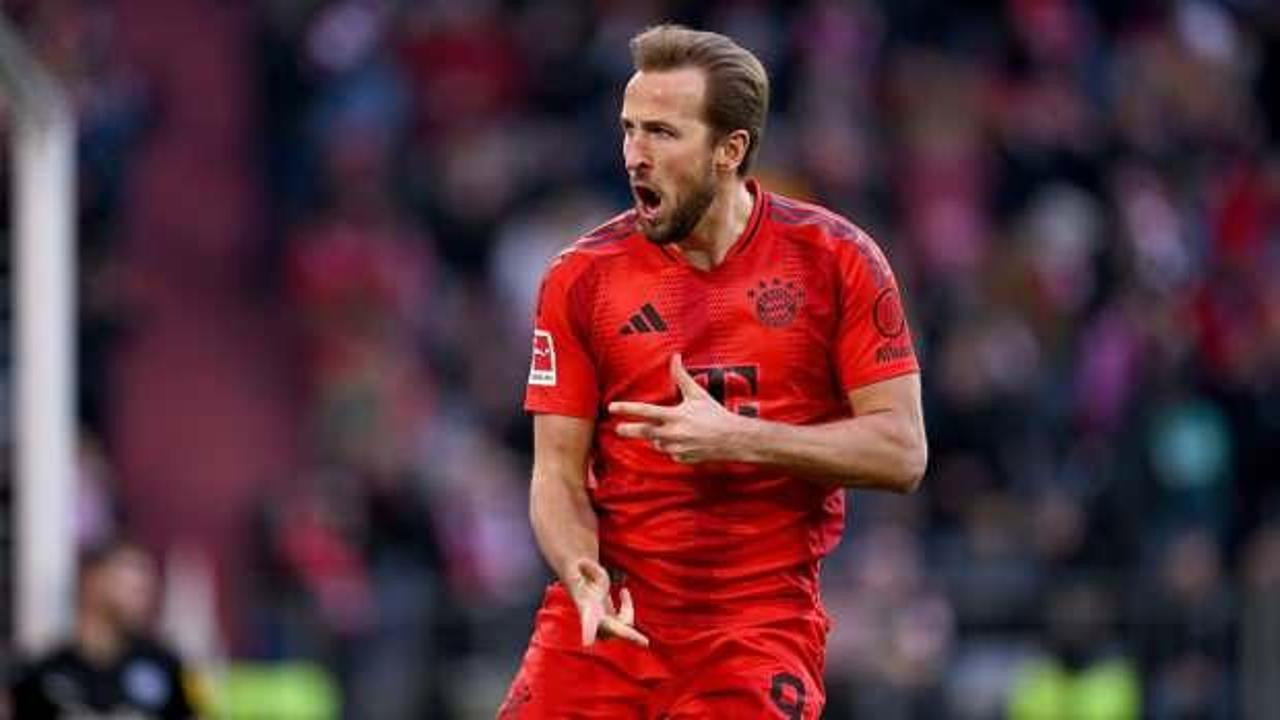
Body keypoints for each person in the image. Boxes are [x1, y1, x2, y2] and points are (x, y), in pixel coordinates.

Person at [501, 24, 927, 718]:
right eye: (629, 129)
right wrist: (579, 571)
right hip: (613, 614)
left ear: (729, 149)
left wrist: (739, 438)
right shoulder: (582, 278)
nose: (634, 155)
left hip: (758, 626)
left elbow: (903, 452)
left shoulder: (837, 261)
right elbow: (556, 473)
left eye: (662, 133)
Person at [10, 538, 198, 719]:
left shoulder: (164, 667)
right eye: (132, 588)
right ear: (93, 582)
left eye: (146, 589)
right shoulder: (43, 673)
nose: (144, 598)